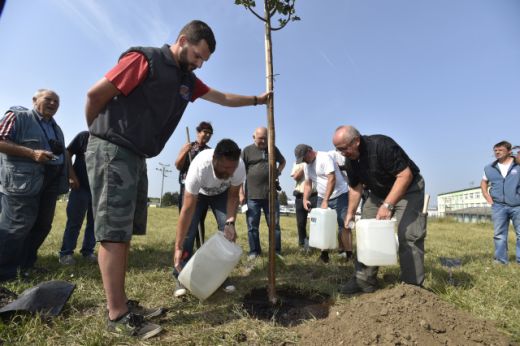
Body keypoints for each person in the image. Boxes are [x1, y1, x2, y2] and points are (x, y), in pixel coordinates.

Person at [85, 20, 268, 339]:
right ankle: (117, 315)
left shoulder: (187, 81)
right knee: (113, 232)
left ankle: (122, 303)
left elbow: (222, 97)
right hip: (114, 148)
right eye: (197, 56)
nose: (199, 64)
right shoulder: (146, 59)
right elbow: (96, 94)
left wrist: (257, 100)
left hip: (136, 154)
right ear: (183, 40)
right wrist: (101, 138)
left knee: (123, 232)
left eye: (204, 61)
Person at [333, 125, 426, 294]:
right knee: (366, 234)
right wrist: (350, 214)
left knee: (409, 234)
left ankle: (413, 288)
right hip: (378, 193)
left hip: (408, 189)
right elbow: (355, 187)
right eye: (338, 150)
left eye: (344, 148)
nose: (342, 153)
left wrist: (388, 205)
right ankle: (364, 280)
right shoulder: (350, 160)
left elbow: (405, 175)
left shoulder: (382, 145)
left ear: (356, 141)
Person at [0, 91, 68, 282]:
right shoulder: (17, 116)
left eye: (57, 101)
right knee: (16, 226)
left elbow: (63, 154)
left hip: (50, 180)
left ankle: (25, 266)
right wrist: (31, 153)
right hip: (22, 181)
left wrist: (69, 176)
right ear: (34, 100)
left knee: (42, 225)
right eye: (48, 99)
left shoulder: (57, 128)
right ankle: (4, 273)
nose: (53, 103)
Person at [173, 139, 245, 296]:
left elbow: (233, 196)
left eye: (232, 169)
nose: (229, 173)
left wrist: (230, 222)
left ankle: (221, 276)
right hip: (199, 195)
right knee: (189, 233)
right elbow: (187, 209)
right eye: (225, 168)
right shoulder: (199, 167)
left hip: (221, 195)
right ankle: (180, 274)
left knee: (227, 234)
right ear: (214, 159)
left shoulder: (239, 167)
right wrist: (178, 246)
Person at [294, 144, 351, 263]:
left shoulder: (325, 157)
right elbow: (308, 184)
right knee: (321, 226)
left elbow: (332, 179)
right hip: (321, 197)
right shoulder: (306, 165)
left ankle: (349, 254)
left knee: (344, 225)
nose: (304, 161)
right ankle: (324, 255)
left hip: (340, 194)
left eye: (304, 158)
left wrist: (326, 200)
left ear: (310, 151)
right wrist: (305, 199)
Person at [239, 127, 286, 259]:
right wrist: (241, 193)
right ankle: (254, 251)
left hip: (271, 196)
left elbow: (283, 161)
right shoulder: (247, 151)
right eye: (261, 138)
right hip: (252, 196)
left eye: (266, 138)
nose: (264, 141)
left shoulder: (273, 148)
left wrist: (278, 171)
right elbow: (240, 173)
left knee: (274, 225)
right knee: (252, 226)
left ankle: (276, 252)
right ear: (253, 137)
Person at [58, 131, 97, 265]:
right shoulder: (84, 136)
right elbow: (67, 153)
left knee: (95, 223)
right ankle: (66, 253)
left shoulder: (110, 141)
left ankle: (88, 251)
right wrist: (71, 175)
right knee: (74, 222)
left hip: (99, 190)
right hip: (80, 187)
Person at [481, 141, 520, 264]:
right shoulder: (489, 168)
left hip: (517, 205)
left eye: (500, 150)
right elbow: (483, 183)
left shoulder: (518, 165)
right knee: (499, 234)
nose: (497, 152)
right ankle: (501, 261)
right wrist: (487, 197)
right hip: (498, 206)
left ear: (509, 151)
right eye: (495, 150)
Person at [174, 121, 213, 247]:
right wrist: (185, 152)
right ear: (198, 133)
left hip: (202, 191)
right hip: (186, 188)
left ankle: (199, 246)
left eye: (210, 133)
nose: (207, 135)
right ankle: (184, 248)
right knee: (186, 219)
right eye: (205, 132)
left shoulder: (210, 152)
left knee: (199, 219)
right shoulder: (188, 147)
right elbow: (178, 166)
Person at [291, 161, 317, 250]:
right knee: (301, 222)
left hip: (314, 195)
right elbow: (295, 177)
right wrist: (304, 166)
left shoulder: (316, 162)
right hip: (300, 196)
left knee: (316, 222)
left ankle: (315, 243)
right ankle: (302, 243)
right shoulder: (297, 163)